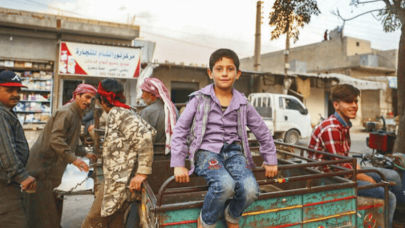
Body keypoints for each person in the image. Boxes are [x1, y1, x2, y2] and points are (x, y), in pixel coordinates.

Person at [171, 48, 278, 228]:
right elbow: (180, 130)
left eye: (230, 69)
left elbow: (262, 131)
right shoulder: (198, 99)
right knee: (225, 185)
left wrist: (271, 159)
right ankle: (207, 221)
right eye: (219, 69)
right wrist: (179, 164)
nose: (224, 73)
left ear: (238, 74)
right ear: (210, 72)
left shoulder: (243, 103)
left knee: (251, 190)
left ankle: (232, 215)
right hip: (206, 152)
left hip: (234, 153)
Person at [308, 84, 404, 228]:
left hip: (341, 171)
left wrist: (360, 170)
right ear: (336, 105)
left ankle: (399, 215)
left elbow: (343, 159)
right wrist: (367, 178)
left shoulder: (343, 125)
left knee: (393, 176)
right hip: (330, 179)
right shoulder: (332, 128)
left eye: (355, 101)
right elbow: (342, 169)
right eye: (348, 102)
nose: (354, 105)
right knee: (389, 197)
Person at [82, 79, 156, 228]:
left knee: (93, 221)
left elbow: (146, 137)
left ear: (102, 99)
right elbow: (151, 132)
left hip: (118, 181)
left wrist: (142, 172)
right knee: (116, 222)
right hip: (120, 180)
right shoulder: (127, 111)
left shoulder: (118, 113)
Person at [24, 83, 97, 228]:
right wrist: (74, 160)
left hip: (52, 169)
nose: (89, 102)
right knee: (44, 208)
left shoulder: (76, 114)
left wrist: (86, 153)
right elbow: (56, 140)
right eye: (87, 97)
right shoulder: (67, 112)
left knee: (52, 204)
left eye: (92, 99)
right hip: (43, 167)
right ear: (77, 96)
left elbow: (72, 141)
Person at [0, 70, 36, 228]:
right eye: (9, 90)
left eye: (18, 90)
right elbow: (5, 149)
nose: (15, 94)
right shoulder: (1, 113)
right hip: (5, 184)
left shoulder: (7, 112)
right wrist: (21, 175)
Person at [139, 77, 178, 151]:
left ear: (151, 95)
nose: (141, 96)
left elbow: (141, 140)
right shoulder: (174, 110)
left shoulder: (147, 112)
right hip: (172, 156)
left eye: (143, 92)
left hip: (154, 157)